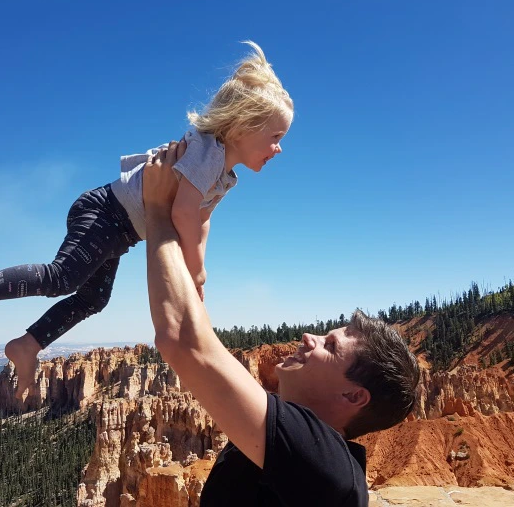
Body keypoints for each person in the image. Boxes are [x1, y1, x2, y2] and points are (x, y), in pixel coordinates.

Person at [0, 41, 294, 400]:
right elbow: (182, 214)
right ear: (241, 127)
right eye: (275, 137)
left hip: (121, 230)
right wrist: (195, 274)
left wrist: (195, 272)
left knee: (94, 299)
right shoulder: (207, 153)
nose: (279, 148)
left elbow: (201, 222)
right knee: (64, 275)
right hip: (104, 212)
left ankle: (28, 344)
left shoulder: (224, 175)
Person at [142, 141, 421, 506]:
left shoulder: (326, 468)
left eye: (331, 347)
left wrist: (158, 210)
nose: (309, 337)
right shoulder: (292, 455)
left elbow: (183, 339)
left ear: (354, 396)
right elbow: (197, 334)